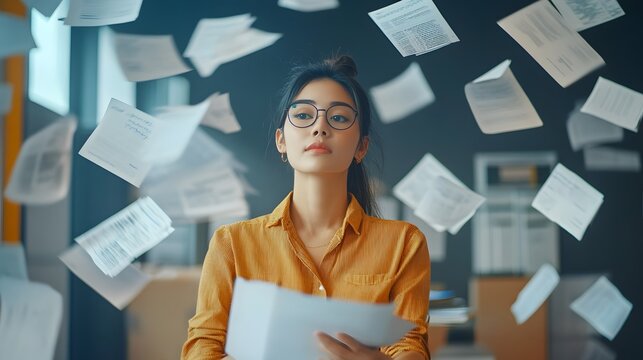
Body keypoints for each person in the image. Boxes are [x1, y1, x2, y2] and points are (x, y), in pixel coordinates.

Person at [181, 55, 431, 360]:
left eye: (338, 118)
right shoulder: (231, 244)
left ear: (361, 148)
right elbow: (202, 345)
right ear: (281, 140)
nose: (320, 127)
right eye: (303, 115)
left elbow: (410, 346)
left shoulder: (404, 243)